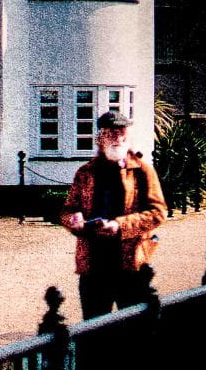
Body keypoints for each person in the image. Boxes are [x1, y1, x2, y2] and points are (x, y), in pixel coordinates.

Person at [61, 111, 167, 319]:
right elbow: (68, 209)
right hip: (93, 264)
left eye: (122, 133)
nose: (117, 138)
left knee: (134, 328)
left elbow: (158, 212)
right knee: (94, 329)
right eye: (111, 133)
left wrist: (120, 226)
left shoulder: (142, 170)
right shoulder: (86, 172)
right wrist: (73, 220)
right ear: (100, 138)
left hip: (129, 262)